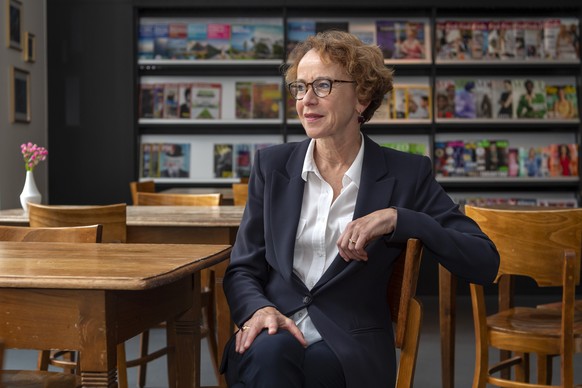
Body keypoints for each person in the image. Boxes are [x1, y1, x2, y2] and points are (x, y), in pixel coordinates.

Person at [220, 30, 500, 388]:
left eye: (322, 85)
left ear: (362, 97)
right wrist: (258, 310)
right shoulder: (270, 167)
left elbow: (484, 260)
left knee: (313, 371)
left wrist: (401, 219)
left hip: (351, 342)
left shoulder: (406, 175)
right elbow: (242, 268)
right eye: (299, 87)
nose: (306, 100)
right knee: (269, 354)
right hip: (276, 327)